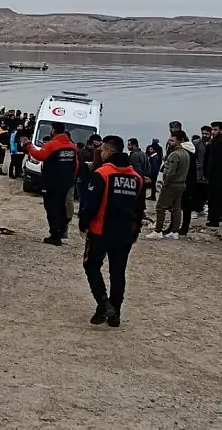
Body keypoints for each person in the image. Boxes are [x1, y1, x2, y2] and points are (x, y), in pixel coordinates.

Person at [78, 135, 144, 327]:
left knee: (91, 266)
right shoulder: (136, 178)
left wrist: (84, 225)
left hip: (101, 232)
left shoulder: (102, 174)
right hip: (125, 234)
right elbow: (139, 210)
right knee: (118, 272)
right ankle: (115, 313)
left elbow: (90, 204)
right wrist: (135, 231)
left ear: (107, 151)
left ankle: (103, 303)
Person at [22, 122, 79, 245]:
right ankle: (61, 230)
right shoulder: (71, 146)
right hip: (67, 182)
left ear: (53, 130)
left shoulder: (53, 145)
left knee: (52, 208)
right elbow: (76, 164)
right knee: (61, 206)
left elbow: (39, 155)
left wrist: (28, 146)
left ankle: (55, 235)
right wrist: (71, 179)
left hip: (53, 182)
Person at [146, 130, 190, 240]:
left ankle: (158, 230)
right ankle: (175, 231)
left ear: (180, 141)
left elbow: (170, 172)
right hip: (181, 184)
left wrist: (165, 182)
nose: (170, 142)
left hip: (171, 185)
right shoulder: (186, 154)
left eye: (172, 140)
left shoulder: (175, 154)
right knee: (176, 208)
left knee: (160, 207)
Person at [177, 134, 198, 235]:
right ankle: (183, 227)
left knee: (182, 205)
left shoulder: (184, 152)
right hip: (190, 180)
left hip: (185, 180)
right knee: (185, 206)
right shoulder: (192, 150)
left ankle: (181, 227)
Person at [193, 126, 211, 214]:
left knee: (206, 191)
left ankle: (202, 206)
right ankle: (198, 208)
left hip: (208, 171)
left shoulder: (213, 143)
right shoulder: (196, 143)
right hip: (198, 171)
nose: (204, 135)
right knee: (197, 191)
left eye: (206, 134)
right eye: (203, 133)